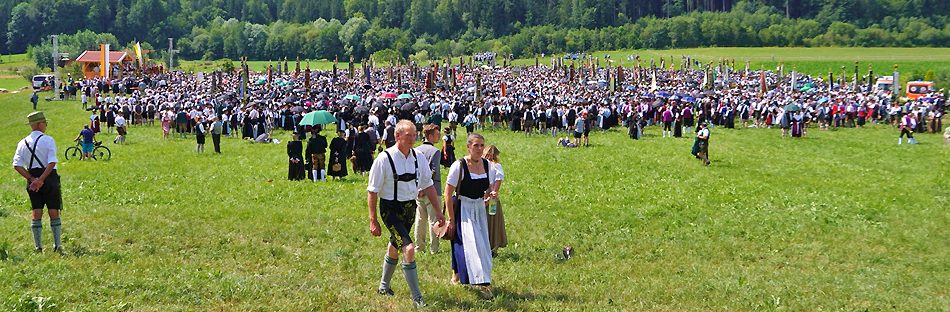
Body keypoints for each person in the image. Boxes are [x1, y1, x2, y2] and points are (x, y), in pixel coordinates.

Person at [367, 120, 445, 308]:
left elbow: (428, 185)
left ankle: (383, 287)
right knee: (409, 248)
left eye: (414, 135)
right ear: (397, 136)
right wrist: (373, 220)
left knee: (396, 244)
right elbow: (372, 191)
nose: (412, 139)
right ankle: (417, 297)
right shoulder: (384, 159)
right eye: (408, 135)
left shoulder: (418, 157)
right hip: (390, 209)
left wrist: (438, 210)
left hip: (410, 208)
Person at [444, 132, 497, 300]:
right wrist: (451, 219)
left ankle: (474, 278)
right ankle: (480, 283)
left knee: (482, 246)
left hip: (479, 209)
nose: (479, 149)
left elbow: (488, 188)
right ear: (468, 147)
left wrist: (490, 195)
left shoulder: (487, 165)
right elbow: (447, 193)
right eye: (476, 145)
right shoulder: (458, 166)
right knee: (465, 245)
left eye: (482, 145)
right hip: (462, 208)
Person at [12, 112, 63, 253]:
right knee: (53, 211)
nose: (46, 125)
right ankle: (57, 245)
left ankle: (38, 247)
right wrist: (41, 179)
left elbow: (17, 165)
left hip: (32, 178)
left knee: (36, 212)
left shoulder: (22, 143)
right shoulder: (48, 140)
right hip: (49, 177)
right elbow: (52, 162)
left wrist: (32, 179)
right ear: (40, 124)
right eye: (45, 123)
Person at [413, 124, 443, 254]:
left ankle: (419, 246)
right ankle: (434, 248)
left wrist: (418, 187)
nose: (439, 136)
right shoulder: (435, 152)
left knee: (420, 219)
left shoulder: (416, 150)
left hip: (418, 190)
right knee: (434, 219)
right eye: (437, 134)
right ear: (430, 136)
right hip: (432, 189)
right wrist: (426, 188)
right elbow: (434, 171)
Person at [482, 145, 506, 258]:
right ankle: (493, 248)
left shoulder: (480, 165)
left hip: (480, 195)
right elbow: (498, 180)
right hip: (490, 195)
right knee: (493, 222)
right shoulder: (496, 166)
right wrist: (494, 192)